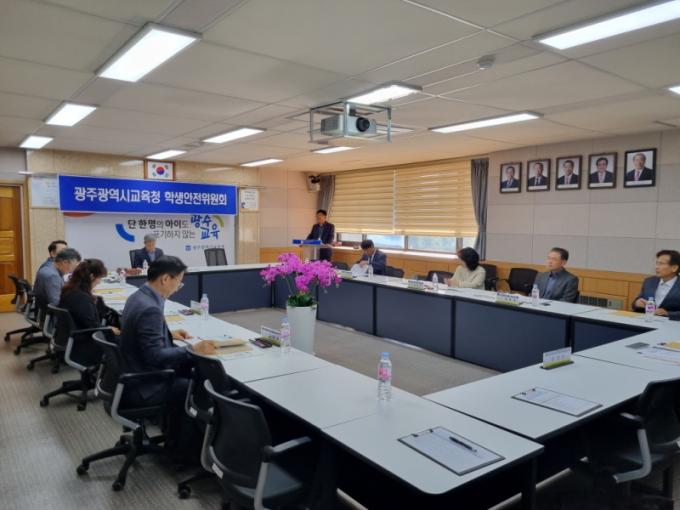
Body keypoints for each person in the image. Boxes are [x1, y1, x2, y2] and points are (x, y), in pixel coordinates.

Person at [119, 255, 215, 461]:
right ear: (164, 279)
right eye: (178, 281)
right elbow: (156, 356)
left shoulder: (138, 296)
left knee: (188, 372)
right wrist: (194, 349)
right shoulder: (150, 308)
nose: (178, 287)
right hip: (144, 384)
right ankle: (185, 451)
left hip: (130, 372)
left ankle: (177, 439)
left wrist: (167, 334)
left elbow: (140, 334)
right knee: (194, 386)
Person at [59, 258, 120, 364]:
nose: (99, 282)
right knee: (125, 340)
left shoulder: (70, 290)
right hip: (84, 345)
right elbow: (92, 326)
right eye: (99, 278)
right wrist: (109, 329)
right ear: (91, 277)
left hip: (72, 339)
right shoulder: (81, 298)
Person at [633, 250, 680, 320]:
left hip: (672, 323)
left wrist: (668, 313)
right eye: (657, 263)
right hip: (647, 321)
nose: (656, 267)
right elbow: (635, 304)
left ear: (674, 268)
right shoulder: (649, 282)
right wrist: (637, 303)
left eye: (661, 264)